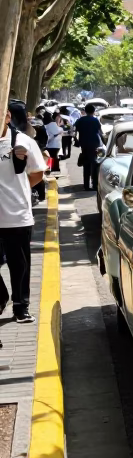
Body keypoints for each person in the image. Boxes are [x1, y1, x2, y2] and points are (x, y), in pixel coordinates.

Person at [0, 100, 47, 324]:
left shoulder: (23, 142)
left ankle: (21, 306)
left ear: (7, 117)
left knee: (19, 265)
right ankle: (2, 296)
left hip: (16, 216)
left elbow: (37, 172)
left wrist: (19, 191)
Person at [73, 104, 104, 191]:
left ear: (85, 111)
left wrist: (76, 140)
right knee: (95, 163)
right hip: (95, 144)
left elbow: (74, 130)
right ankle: (94, 185)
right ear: (93, 112)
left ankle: (86, 185)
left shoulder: (80, 120)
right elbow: (100, 132)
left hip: (84, 144)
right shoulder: (95, 120)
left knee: (86, 164)